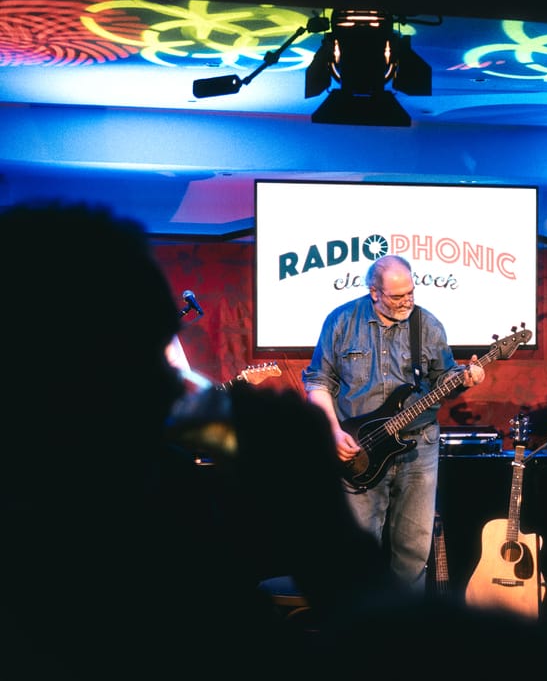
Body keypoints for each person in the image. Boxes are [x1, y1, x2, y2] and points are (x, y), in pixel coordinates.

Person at [0, 200, 393, 679]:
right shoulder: (147, 514)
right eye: (149, 353)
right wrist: (315, 512)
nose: (171, 383)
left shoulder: (154, 485)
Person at [302, 254, 486, 592]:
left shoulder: (427, 324)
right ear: (374, 292)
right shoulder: (341, 321)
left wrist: (465, 378)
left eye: (411, 292)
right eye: (398, 296)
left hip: (419, 446)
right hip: (360, 449)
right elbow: (318, 381)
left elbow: (444, 377)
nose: (407, 301)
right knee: (358, 551)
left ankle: (405, 623)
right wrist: (332, 432)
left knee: (413, 552)